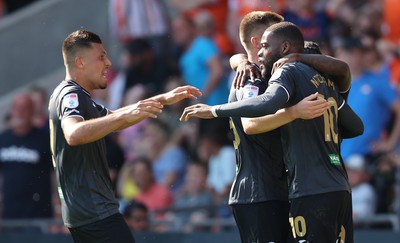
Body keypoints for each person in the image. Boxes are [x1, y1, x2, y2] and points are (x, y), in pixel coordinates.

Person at [180, 22, 364, 243]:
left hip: (303, 190)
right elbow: (356, 126)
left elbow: (262, 109)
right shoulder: (326, 82)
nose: (261, 51)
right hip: (335, 187)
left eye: (266, 45)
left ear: (286, 48)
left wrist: (215, 110)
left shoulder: (288, 71)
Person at [48, 29, 201, 243]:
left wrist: (162, 100)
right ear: (80, 62)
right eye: (101, 57)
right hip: (94, 210)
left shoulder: (80, 97)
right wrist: (125, 116)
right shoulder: (70, 95)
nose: (109, 63)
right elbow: (74, 133)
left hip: (87, 211)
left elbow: (113, 118)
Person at [0, 93, 54, 221]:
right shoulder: (3, 139)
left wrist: (60, 206)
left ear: (32, 111)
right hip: (9, 215)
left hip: (39, 215)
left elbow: (56, 175)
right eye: (17, 108)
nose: (20, 112)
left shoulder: (45, 138)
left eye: (24, 108)